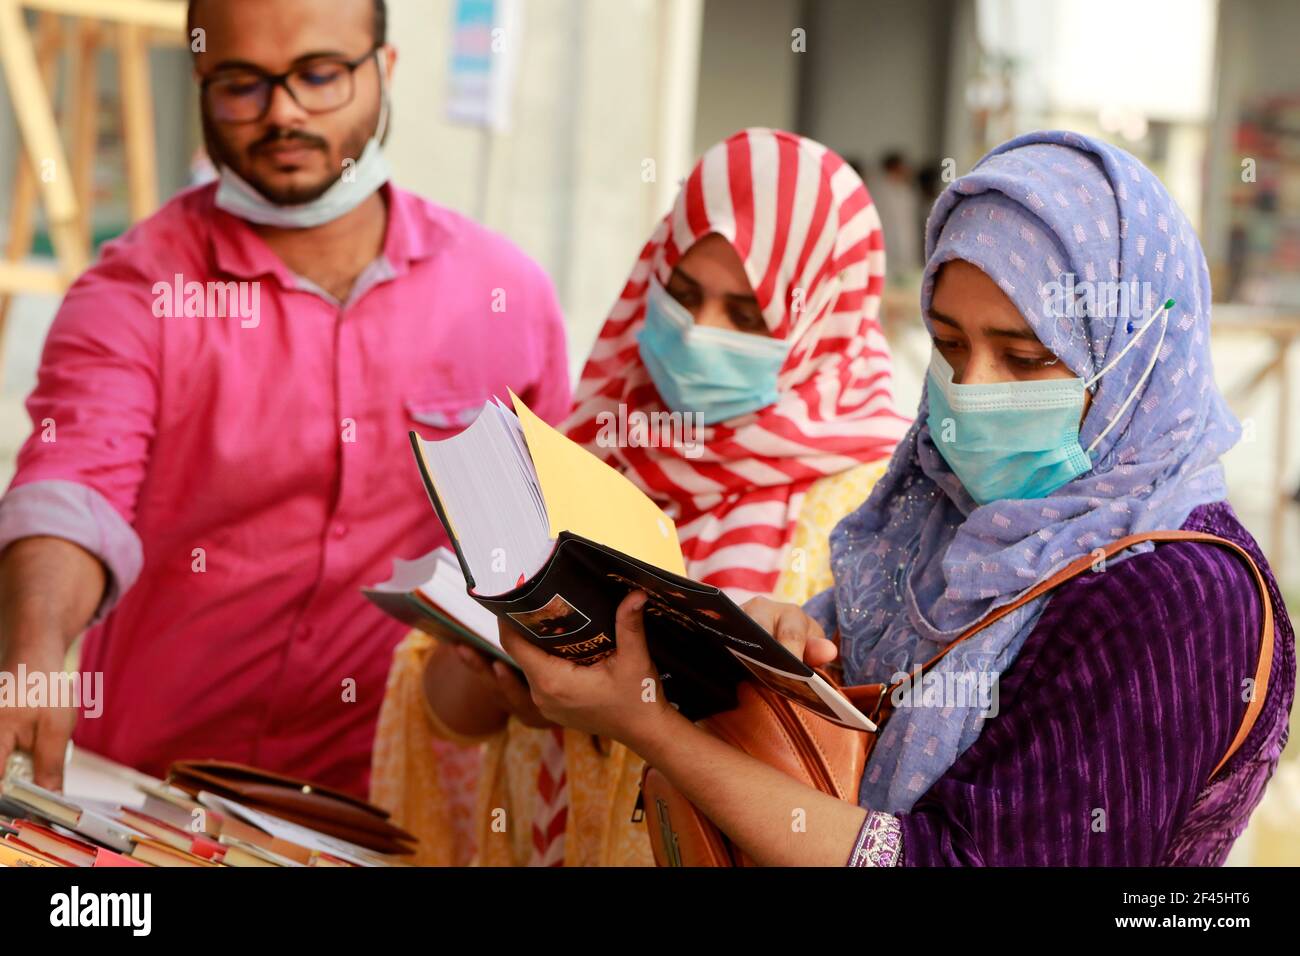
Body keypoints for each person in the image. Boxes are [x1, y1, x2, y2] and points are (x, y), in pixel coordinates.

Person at [497, 130, 1296, 866]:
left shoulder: (1177, 593)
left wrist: (653, 732)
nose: (971, 389)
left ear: (1136, 360)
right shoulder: (929, 518)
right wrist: (779, 656)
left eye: (1024, 359)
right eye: (948, 345)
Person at [0, 0, 569, 803]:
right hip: (149, 804)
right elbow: (71, 488)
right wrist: (30, 652)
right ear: (199, 82)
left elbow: (550, 548)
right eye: (242, 83)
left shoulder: (505, 296)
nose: (283, 113)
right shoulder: (137, 288)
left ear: (385, 69)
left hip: (400, 817)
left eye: (319, 75)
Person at [369, 128, 911, 865]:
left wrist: (642, 714)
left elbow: (857, 797)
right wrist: (501, 681)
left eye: (746, 315)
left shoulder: (875, 507)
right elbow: (444, 714)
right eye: (682, 295)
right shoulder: (593, 449)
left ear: (822, 319)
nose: (699, 333)